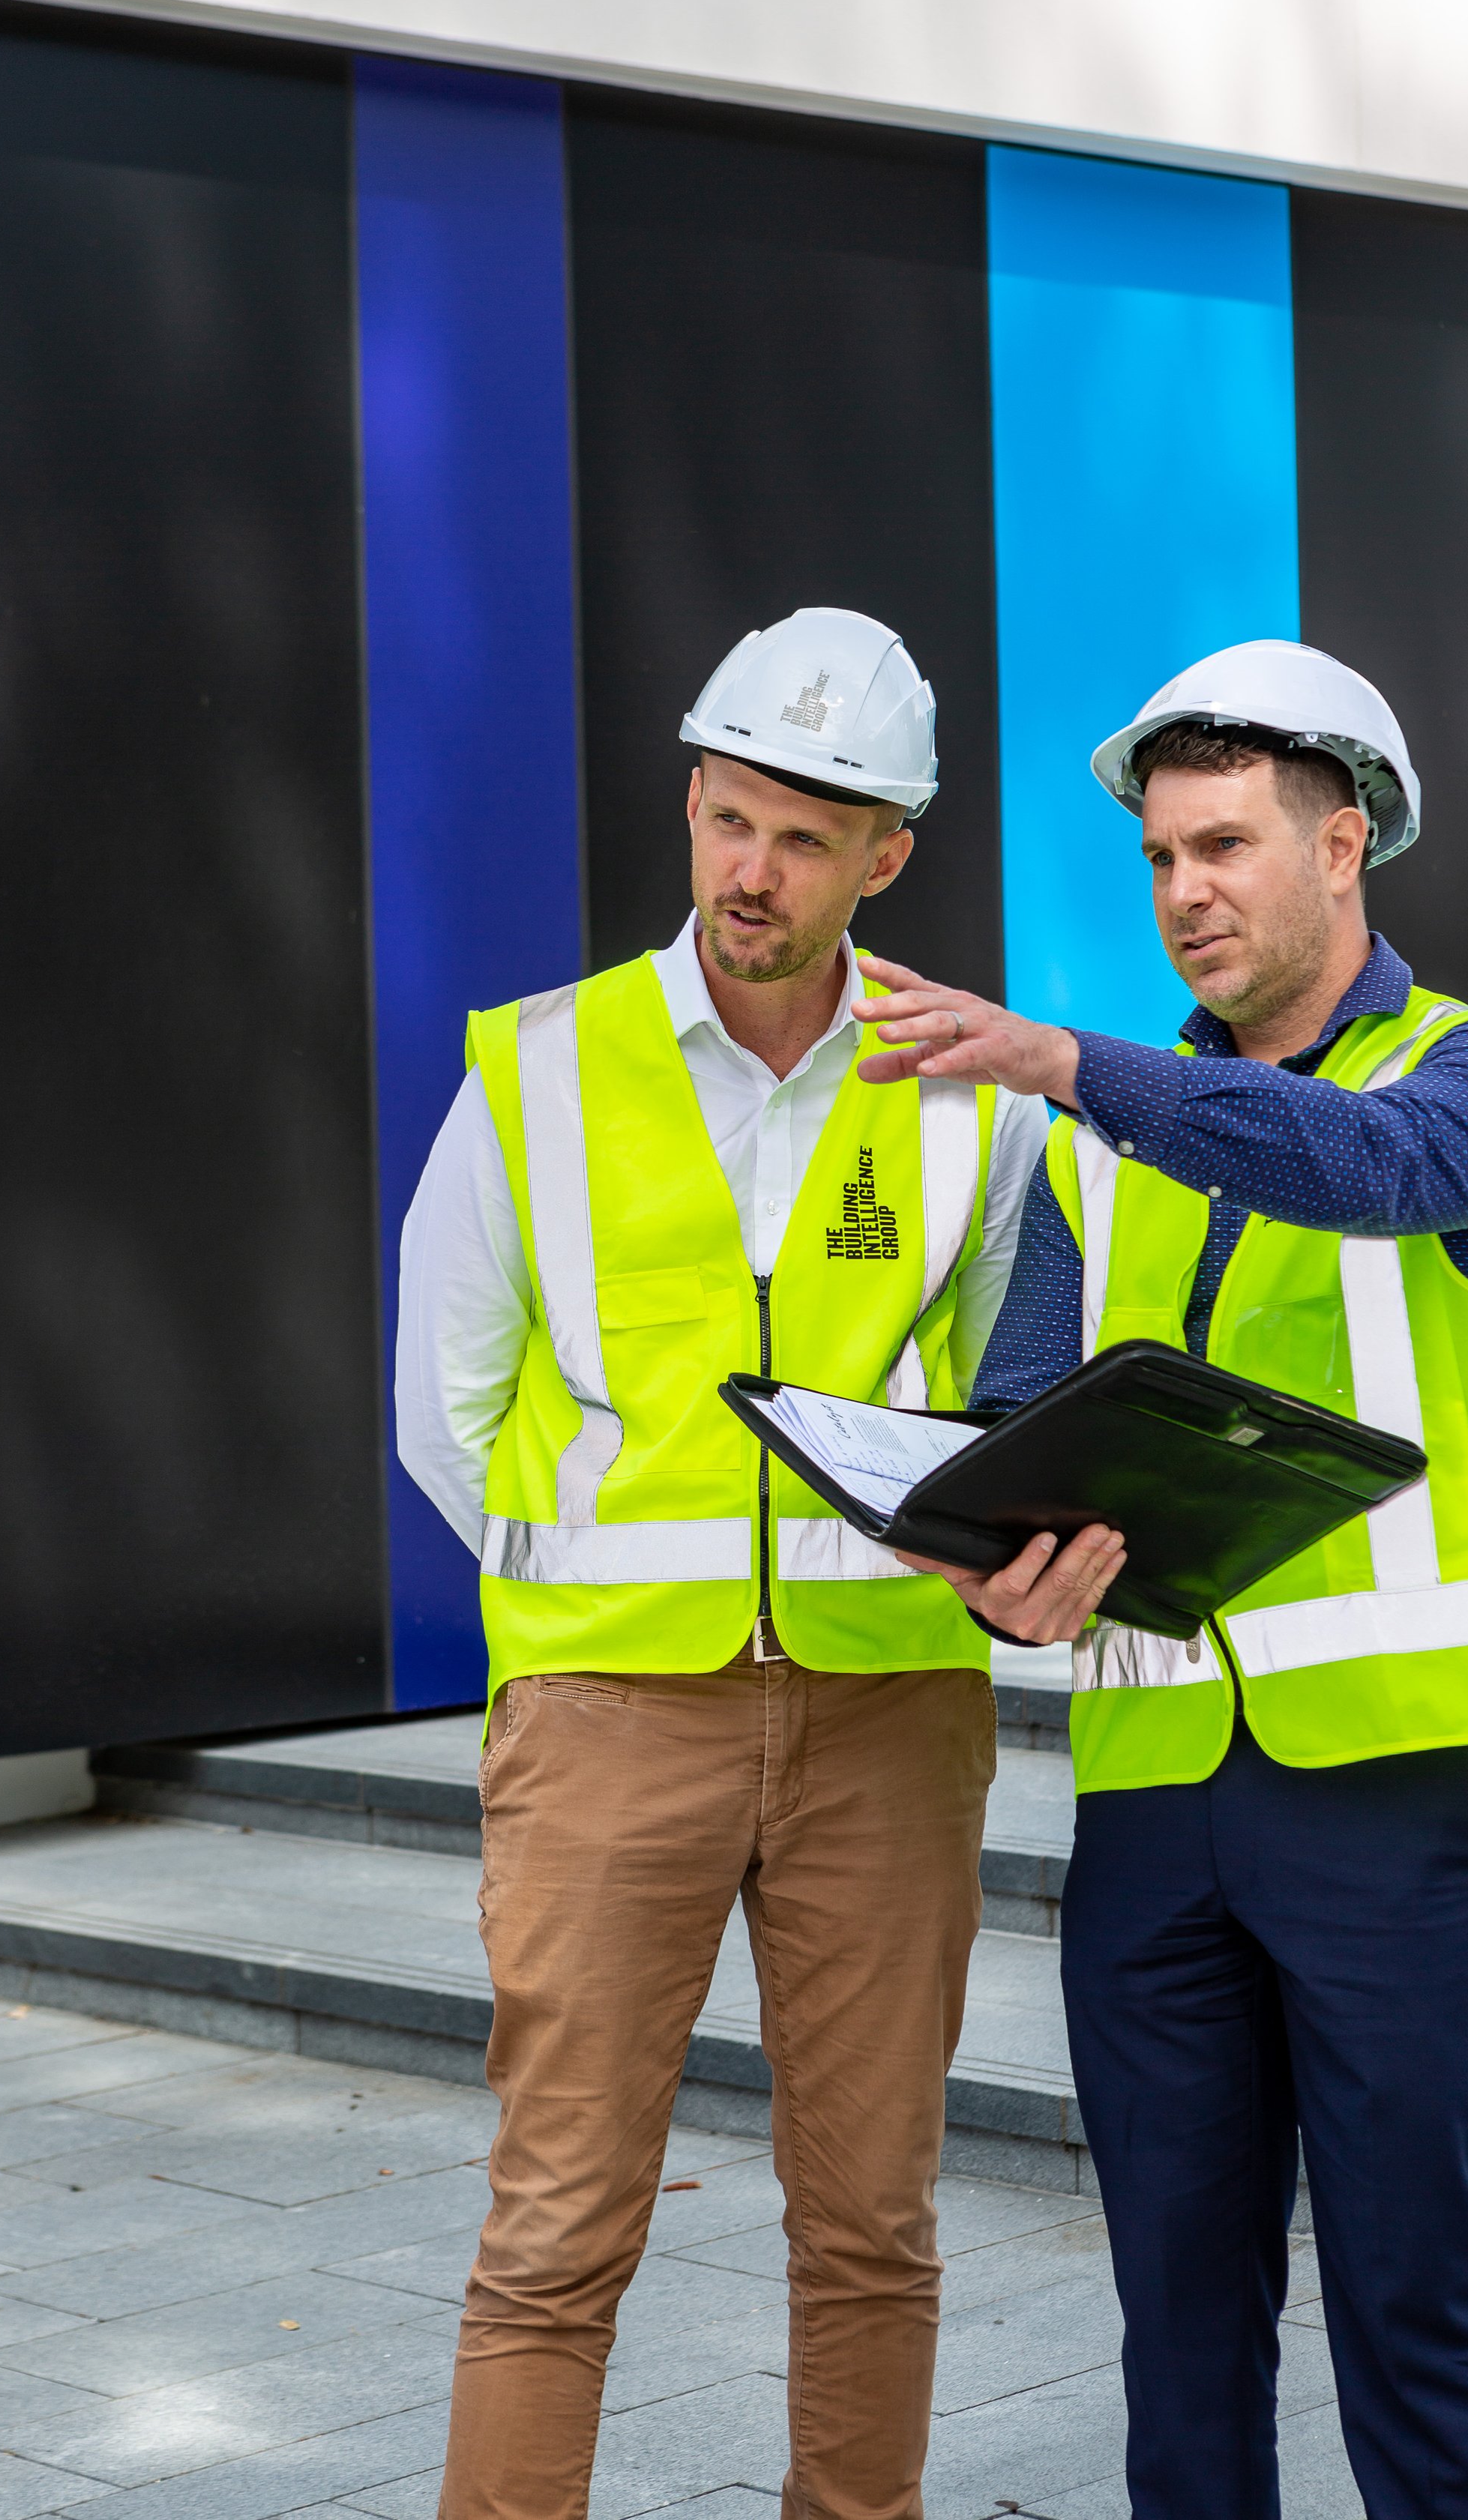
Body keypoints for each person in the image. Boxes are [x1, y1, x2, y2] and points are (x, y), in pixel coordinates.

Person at [852, 638, 1468, 2520]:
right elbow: (1019, 1419)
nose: (1184, 893)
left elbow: (1365, 1170)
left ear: (1341, 843)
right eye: (1159, 861)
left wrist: (1061, 1061)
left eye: (1222, 846)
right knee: (1176, 2328)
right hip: (1146, 1815)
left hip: (1394, 1793)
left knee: (1412, 2309)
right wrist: (993, 1573)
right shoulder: (1094, 1156)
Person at [396, 603, 1122, 2520]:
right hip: (609, 1715)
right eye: (729, 818)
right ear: (693, 802)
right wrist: (586, 1614)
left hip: (889, 1715)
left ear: (889, 854)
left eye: (805, 837)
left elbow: (999, 1413)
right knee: (554, 2235)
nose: (751, 870)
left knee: (873, 2221)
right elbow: (441, 1411)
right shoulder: (538, 1069)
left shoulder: (969, 1090)